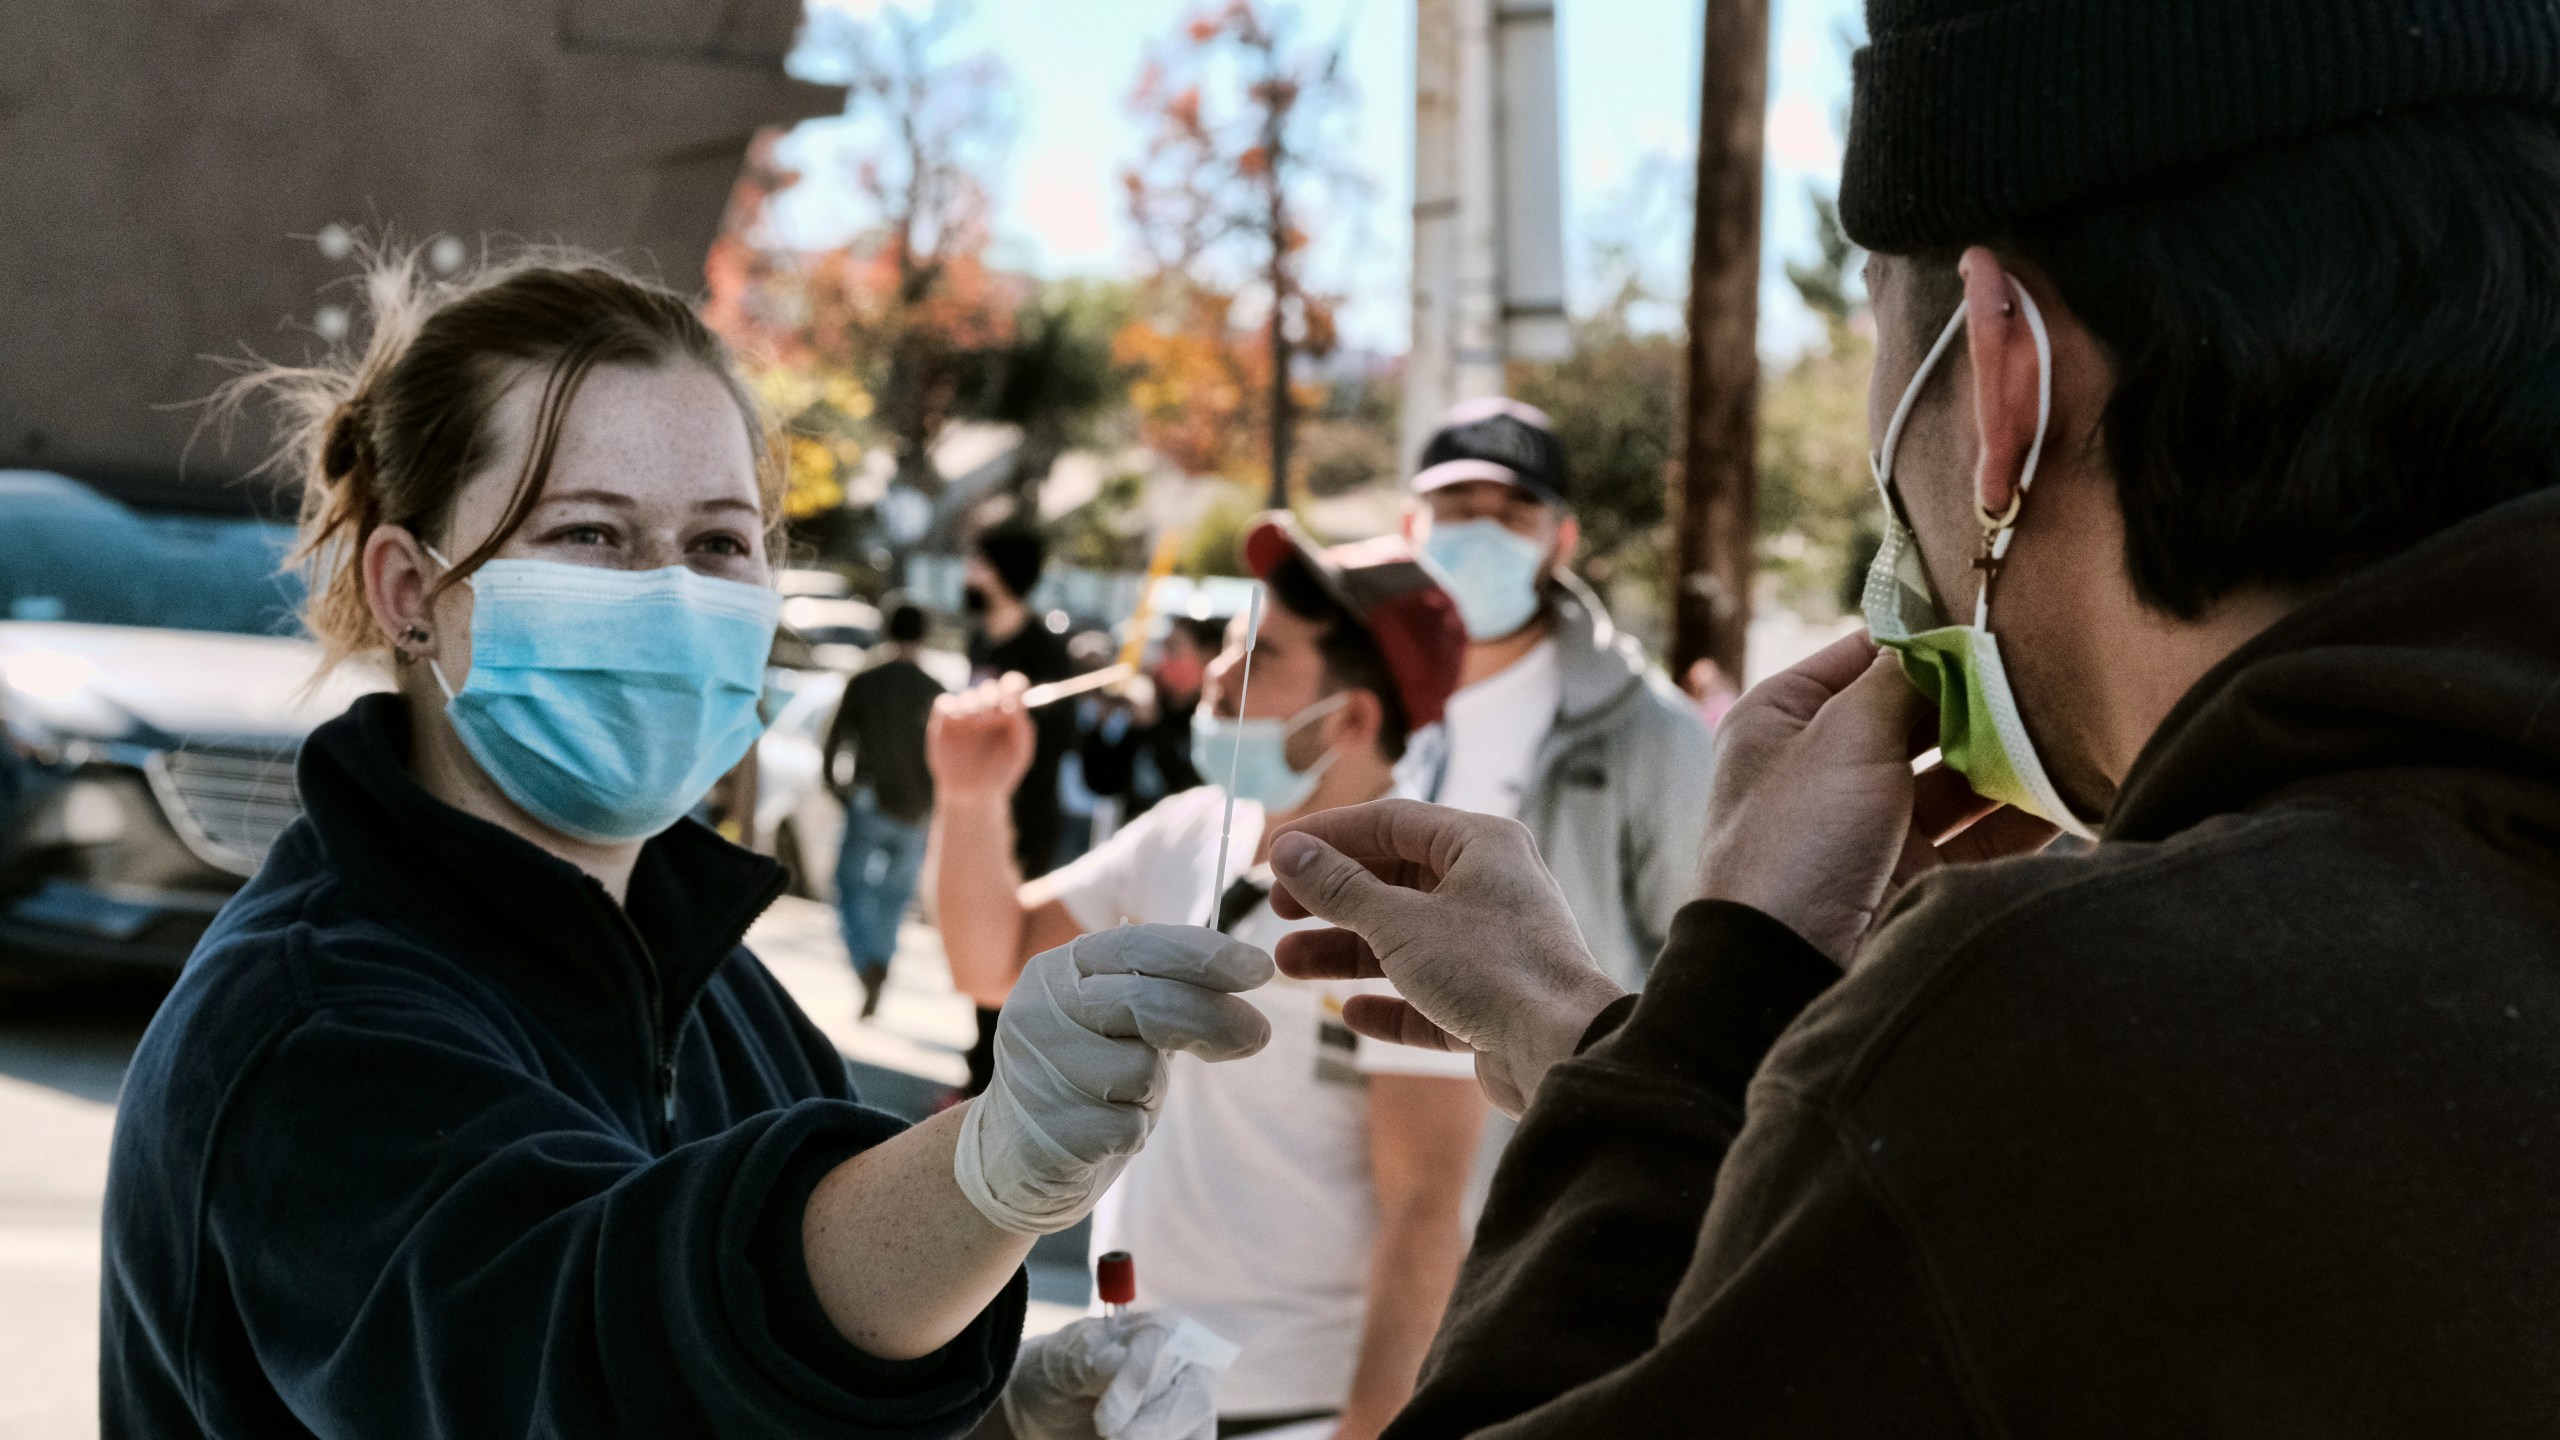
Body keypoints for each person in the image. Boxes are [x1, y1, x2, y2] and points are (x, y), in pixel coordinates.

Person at [1258, 6, 2560, 1430]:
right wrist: (1612, 1053)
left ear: (2003, 374)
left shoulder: (2042, 1041)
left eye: (1883, 320)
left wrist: (1721, 1008)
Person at [99, 251, 1270, 1439]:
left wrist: (998, 1431)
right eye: (592, 535)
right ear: (410, 588)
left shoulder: (725, 997)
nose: (670, 595)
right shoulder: (311, 1023)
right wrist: (984, 1170)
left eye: (718, 543)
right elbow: (573, 1356)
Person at [929, 516, 1484, 1440]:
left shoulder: (1412, 902)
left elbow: (1427, 1201)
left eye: (1259, 658)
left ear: (1350, 719)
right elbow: (991, 961)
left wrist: (1374, 1426)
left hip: (1291, 1413)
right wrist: (968, 796)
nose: (1218, 676)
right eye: (1230, 641)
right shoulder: (1190, 828)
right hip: (1128, 1380)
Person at [1399, 398, 1712, 990]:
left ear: (1561, 541)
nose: (1484, 535)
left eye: (1515, 516)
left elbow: (1696, 966)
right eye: (1459, 510)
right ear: (1410, 526)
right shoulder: (1351, 700)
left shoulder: (1651, 730)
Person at [959, 521, 1077, 1095]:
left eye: (977, 562)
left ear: (1002, 572)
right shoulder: (979, 640)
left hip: (1024, 824)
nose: (967, 575)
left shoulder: (1046, 654)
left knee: (1006, 951)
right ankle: (977, 1069)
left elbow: (1056, 744)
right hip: (976, 815)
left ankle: (989, 1081)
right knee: (971, 942)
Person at [821, 599, 944, 1019]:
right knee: (894, 897)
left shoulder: (866, 681)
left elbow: (834, 742)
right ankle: (882, 958)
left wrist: (839, 790)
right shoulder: (935, 691)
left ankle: (865, 960)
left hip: (870, 799)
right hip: (917, 811)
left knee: (850, 886)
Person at [1078, 614, 1222, 821]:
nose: (1163, 657)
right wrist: (1101, 722)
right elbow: (1101, 783)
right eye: (1162, 647)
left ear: (1208, 656)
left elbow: (1192, 790)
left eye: (1174, 649)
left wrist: (1152, 725)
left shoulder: (1215, 721)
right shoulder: (1154, 704)